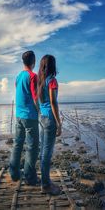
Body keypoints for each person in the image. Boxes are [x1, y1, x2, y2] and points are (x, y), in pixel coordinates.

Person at [9, 50, 39, 185]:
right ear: (34, 62)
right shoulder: (33, 76)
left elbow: (19, 92)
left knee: (18, 144)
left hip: (19, 115)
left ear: (23, 62)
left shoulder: (18, 76)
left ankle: (14, 173)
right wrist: (40, 112)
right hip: (30, 116)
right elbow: (35, 97)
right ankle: (29, 177)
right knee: (32, 147)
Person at [37, 54, 62, 195]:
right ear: (53, 65)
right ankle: (45, 184)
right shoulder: (52, 81)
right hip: (50, 119)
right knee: (47, 152)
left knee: (43, 151)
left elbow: (38, 102)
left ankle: (45, 181)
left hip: (42, 117)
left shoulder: (40, 81)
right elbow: (53, 102)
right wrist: (59, 123)